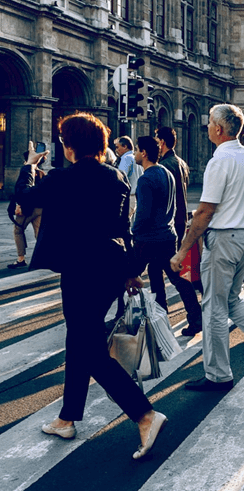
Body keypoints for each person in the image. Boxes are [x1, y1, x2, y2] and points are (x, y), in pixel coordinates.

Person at [19, 115, 166, 459]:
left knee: (90, 349)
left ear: (70, 146)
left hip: (80, 270)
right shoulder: (116, 176)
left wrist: (28, 166)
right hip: (111, 268)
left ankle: (144, 415)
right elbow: (122, 226)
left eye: (63, 141)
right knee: (80, 338)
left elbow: (24, 197)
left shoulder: (62, 178)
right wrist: (131, 271)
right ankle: (67, 417)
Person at [170, 104, 244, 390]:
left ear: (218, 129)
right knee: (232, 299)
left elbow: (205, 211)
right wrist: (240, 202)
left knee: (213, 308)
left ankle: (218, 375)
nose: (207, 126)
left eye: (209, 122)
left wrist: (183, 250)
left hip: (224, 239)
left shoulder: (219, 161)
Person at [131, 135, 202, 334]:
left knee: (127, 275)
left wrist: (133, 232)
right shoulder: (166, 173)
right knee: (173, 277)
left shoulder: (146, 179)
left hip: (147, 239)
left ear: (143, 153)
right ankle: (193, 317)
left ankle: (124, 318)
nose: (136, 153)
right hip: (167, 236)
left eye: (137, 149)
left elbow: (143, 215)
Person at [155, 127, 190, 249]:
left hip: (168, 222)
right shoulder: (182, 163)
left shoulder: (163, 166)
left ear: (162, 142)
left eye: (156, 140)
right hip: (181, 218)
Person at [8, 150, 44, 269]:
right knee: (39, 233)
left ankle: (21, 259)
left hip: (26, 209)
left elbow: (20, 191)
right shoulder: (42, 173)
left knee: (18, 231)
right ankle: (42, 258)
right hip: (40, 209)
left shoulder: (26, 171)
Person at [114, 135, 142, 214]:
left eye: (117, 147)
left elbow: (120, 177)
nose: (116, 150)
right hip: (137, 197)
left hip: (129, 198)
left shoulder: (126, 158)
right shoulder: (135, 158)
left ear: (125, 147)